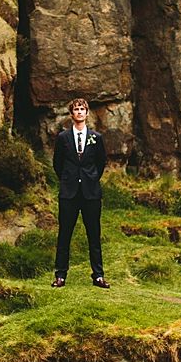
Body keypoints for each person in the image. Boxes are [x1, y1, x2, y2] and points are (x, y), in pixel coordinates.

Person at [51, 97, 110, 289]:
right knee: (64, 234)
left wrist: (90, 178)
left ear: (87, 113)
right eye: (76, 109)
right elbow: (57, 164)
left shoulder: (96, 138)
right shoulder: (63, 138)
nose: (79, 112)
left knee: (94, 234)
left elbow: (101, 163)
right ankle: (60, 275)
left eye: (82, 109)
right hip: (69, 193)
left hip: (91, 193)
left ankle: (98, 275)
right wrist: (69, 179)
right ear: (71, 114)